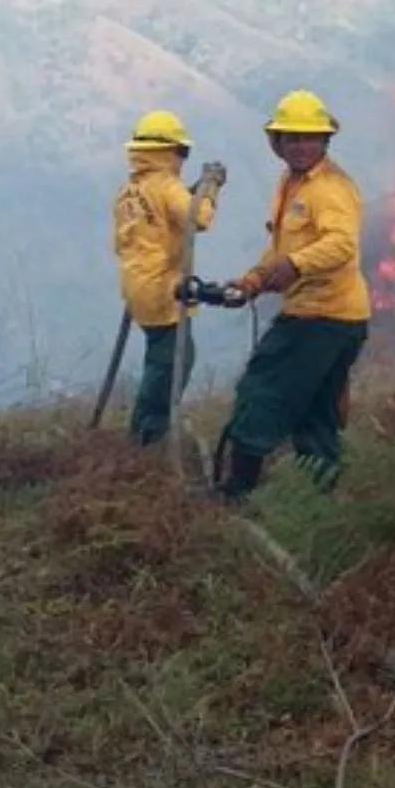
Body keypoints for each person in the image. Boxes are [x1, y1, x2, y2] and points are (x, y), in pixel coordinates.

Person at [209, 89, 371, 503]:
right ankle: (322, 503)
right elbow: (283, 248)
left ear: (324, 142)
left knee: (262, 392)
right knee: (317, 413)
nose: (300, 146)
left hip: (323, 318)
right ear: (276, 143)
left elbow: (342, 245)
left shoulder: (331, 189)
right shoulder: (291, 184)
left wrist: (295, 266)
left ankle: (235, 493)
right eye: (291, 138)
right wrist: (253, 279)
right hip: (332, 317)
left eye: (309, 138)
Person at [111, 109, 223, 446]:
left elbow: (166, 215)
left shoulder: (131, 189)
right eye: (182, 152)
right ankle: (149, 433)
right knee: (174, 360)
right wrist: (212, 187)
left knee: (160, 355)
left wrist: (192, 190)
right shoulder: (165, 184)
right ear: (171, 151)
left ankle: (142, 431)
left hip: (136, 285)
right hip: (163, 286)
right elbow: (199, 217)